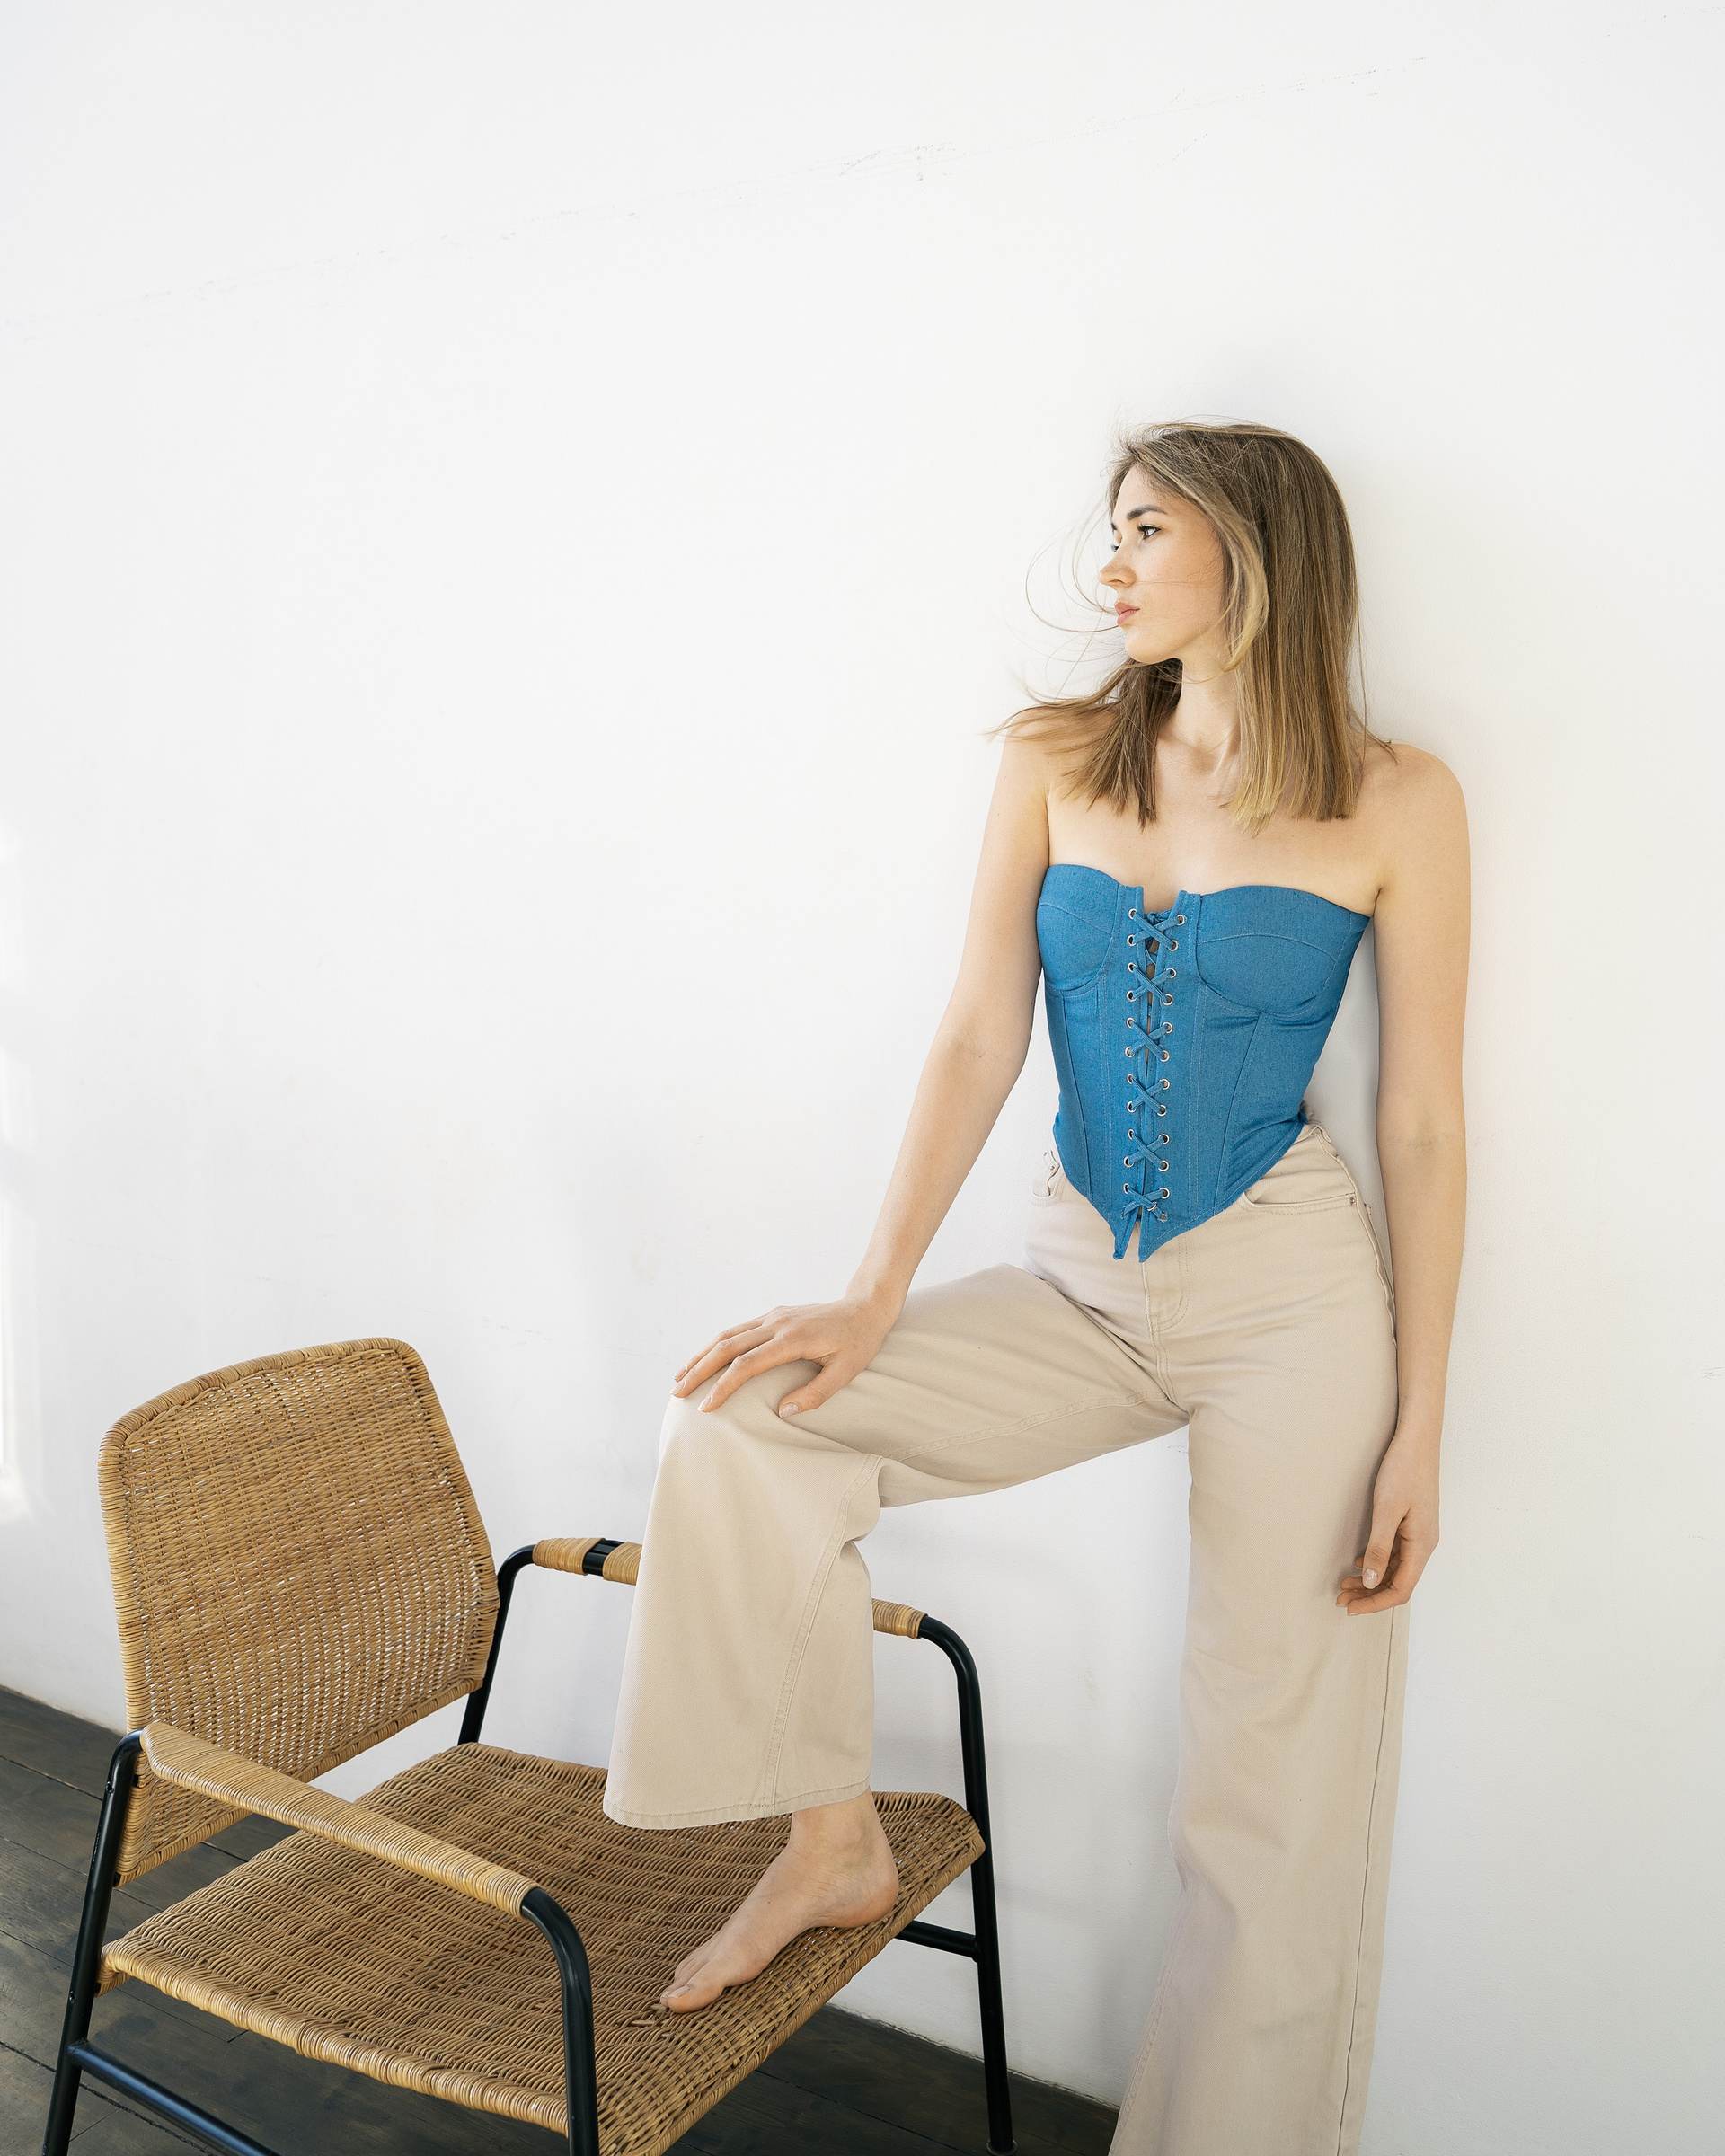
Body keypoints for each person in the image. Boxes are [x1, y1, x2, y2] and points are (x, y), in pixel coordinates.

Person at [601, 420, 1469, 2156]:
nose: (1112, 564)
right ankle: (829, 1839)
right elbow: (979, 1032)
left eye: (1148, 530)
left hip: (1294, 1306)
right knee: (750, 1426)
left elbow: (1425, 1121)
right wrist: (874, 1292)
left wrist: (1420, 1430)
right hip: (1078, 1276)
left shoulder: (1399, 798)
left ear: (1255, 552)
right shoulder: (1058, 756)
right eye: (1114, 530)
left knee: (1270, 1784)